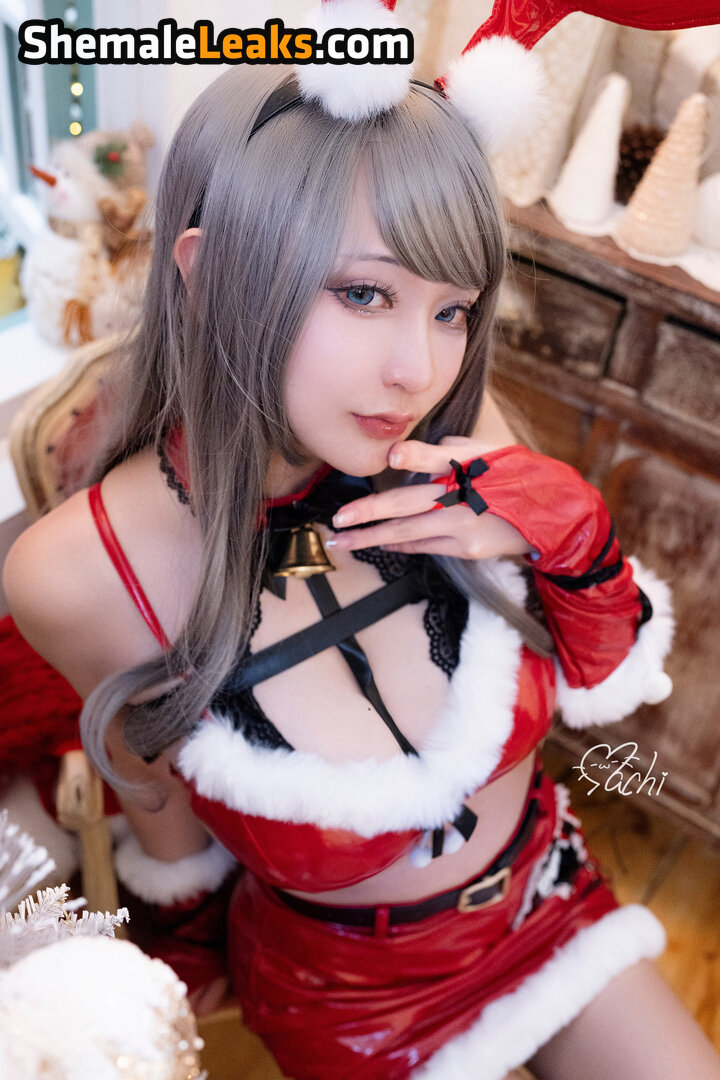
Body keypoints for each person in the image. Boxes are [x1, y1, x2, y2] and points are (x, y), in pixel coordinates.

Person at [4, 53, 720, 1080]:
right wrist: (186, 932)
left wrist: (577, 540)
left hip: (547, 896)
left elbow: (605, 676)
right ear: (210, 272)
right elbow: (156, 794)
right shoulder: (79, 572)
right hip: (350, 1000)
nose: (418, 371)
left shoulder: (453, 432)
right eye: (364, 292)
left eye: (451, 310)